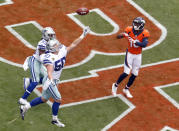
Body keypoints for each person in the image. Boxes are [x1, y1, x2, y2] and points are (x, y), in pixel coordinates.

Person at [19, 26, 90, 127]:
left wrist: (83, 35)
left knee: (44, 99)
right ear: (52, 48)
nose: (59, 45)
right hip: (49, 81)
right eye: (57, 45)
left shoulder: (61, 51)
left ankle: (25, 107)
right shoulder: (49, 57)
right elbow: (49, 69)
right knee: (58, 99)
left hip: (54, 80)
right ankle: (54, 119)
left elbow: (73, 44)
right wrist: (51, 79)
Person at [112, 17, 150, 98]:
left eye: (137, 24)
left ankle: (126, 89)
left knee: (135, 74)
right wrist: (122, 35)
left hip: (138, 55)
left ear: (141, 25)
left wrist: (136, 42)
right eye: (135, 23)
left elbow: (144, 44)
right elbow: (117, 37)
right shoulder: (129, 30)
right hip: (130, 54)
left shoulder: (145, 33)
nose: (135, 25)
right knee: (126, 72)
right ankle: (115, 85)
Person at [18, 27, 56, 105]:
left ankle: (28, 81)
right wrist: (49, 63)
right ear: (45, 35)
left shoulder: (50, 42)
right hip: (35, 61)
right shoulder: (42, 43)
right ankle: (23, 99)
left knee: (46, 78)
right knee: (35, 81)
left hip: (40, 62)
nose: (51, 36)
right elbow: (42, 57)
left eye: (52, 35)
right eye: (50, 35)